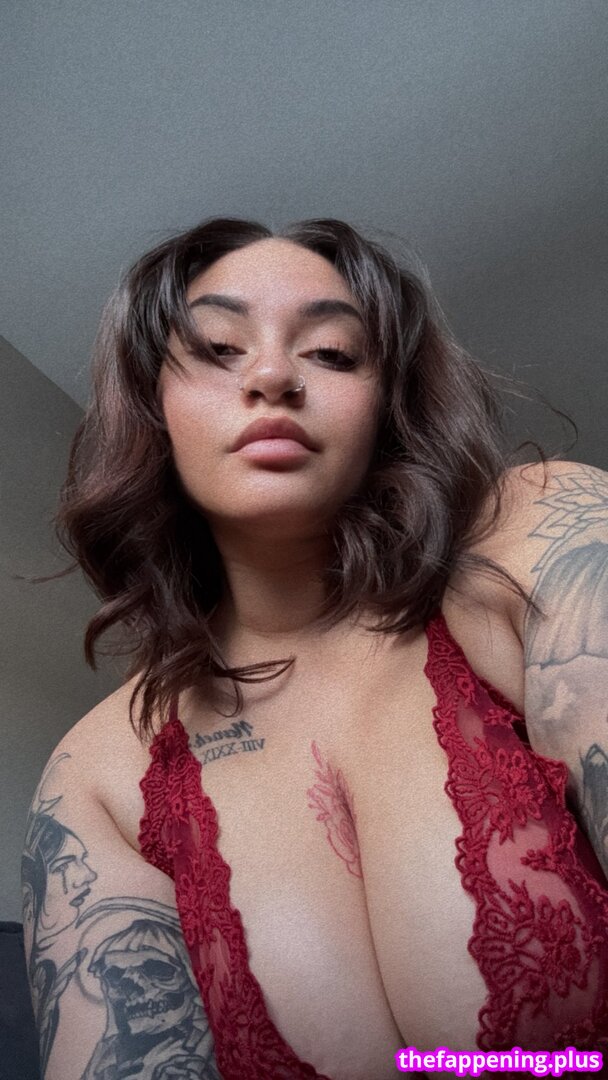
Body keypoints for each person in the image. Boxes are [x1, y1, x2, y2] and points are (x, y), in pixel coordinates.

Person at [23, 216, 608, 1080]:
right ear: (154, 406)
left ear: (386, 405)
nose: (272, 376)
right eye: (218, 348)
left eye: (332, 353)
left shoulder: (535, 537)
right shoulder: (101, 773)